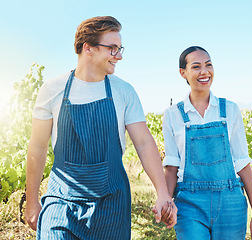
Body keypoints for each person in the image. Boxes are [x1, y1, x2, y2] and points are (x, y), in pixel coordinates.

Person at [25, 16, 176, 239]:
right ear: (88, 48)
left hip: (111, 205)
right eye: (113, 49)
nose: (120, 56)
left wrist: (162, 192)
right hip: (61, 202)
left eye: (120, 48)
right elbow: (37, 148)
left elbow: (143, 143)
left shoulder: (123, 92)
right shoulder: (52, 90)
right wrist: (31, 201)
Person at [163, 46, 252, 240]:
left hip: (230, 200)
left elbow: (243, 164)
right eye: (196, 66)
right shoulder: (172, 115)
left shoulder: (230, 110)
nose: (204, 71)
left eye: (208, 65)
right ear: (183, 72)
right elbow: (171, 167)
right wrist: (168, 203)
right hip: (189, 202)